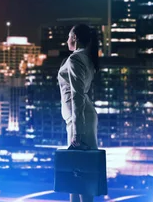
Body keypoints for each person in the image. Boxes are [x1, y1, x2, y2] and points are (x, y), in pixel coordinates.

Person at [58, 24, 99, 202]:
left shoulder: (76, 59)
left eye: (68, 36)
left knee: (82, 174)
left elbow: (77, 96)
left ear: (74, 37)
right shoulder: (86, 58)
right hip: (78, 119)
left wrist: (77, 131)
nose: (66, 40)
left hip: (79, 121)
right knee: (75, 174)